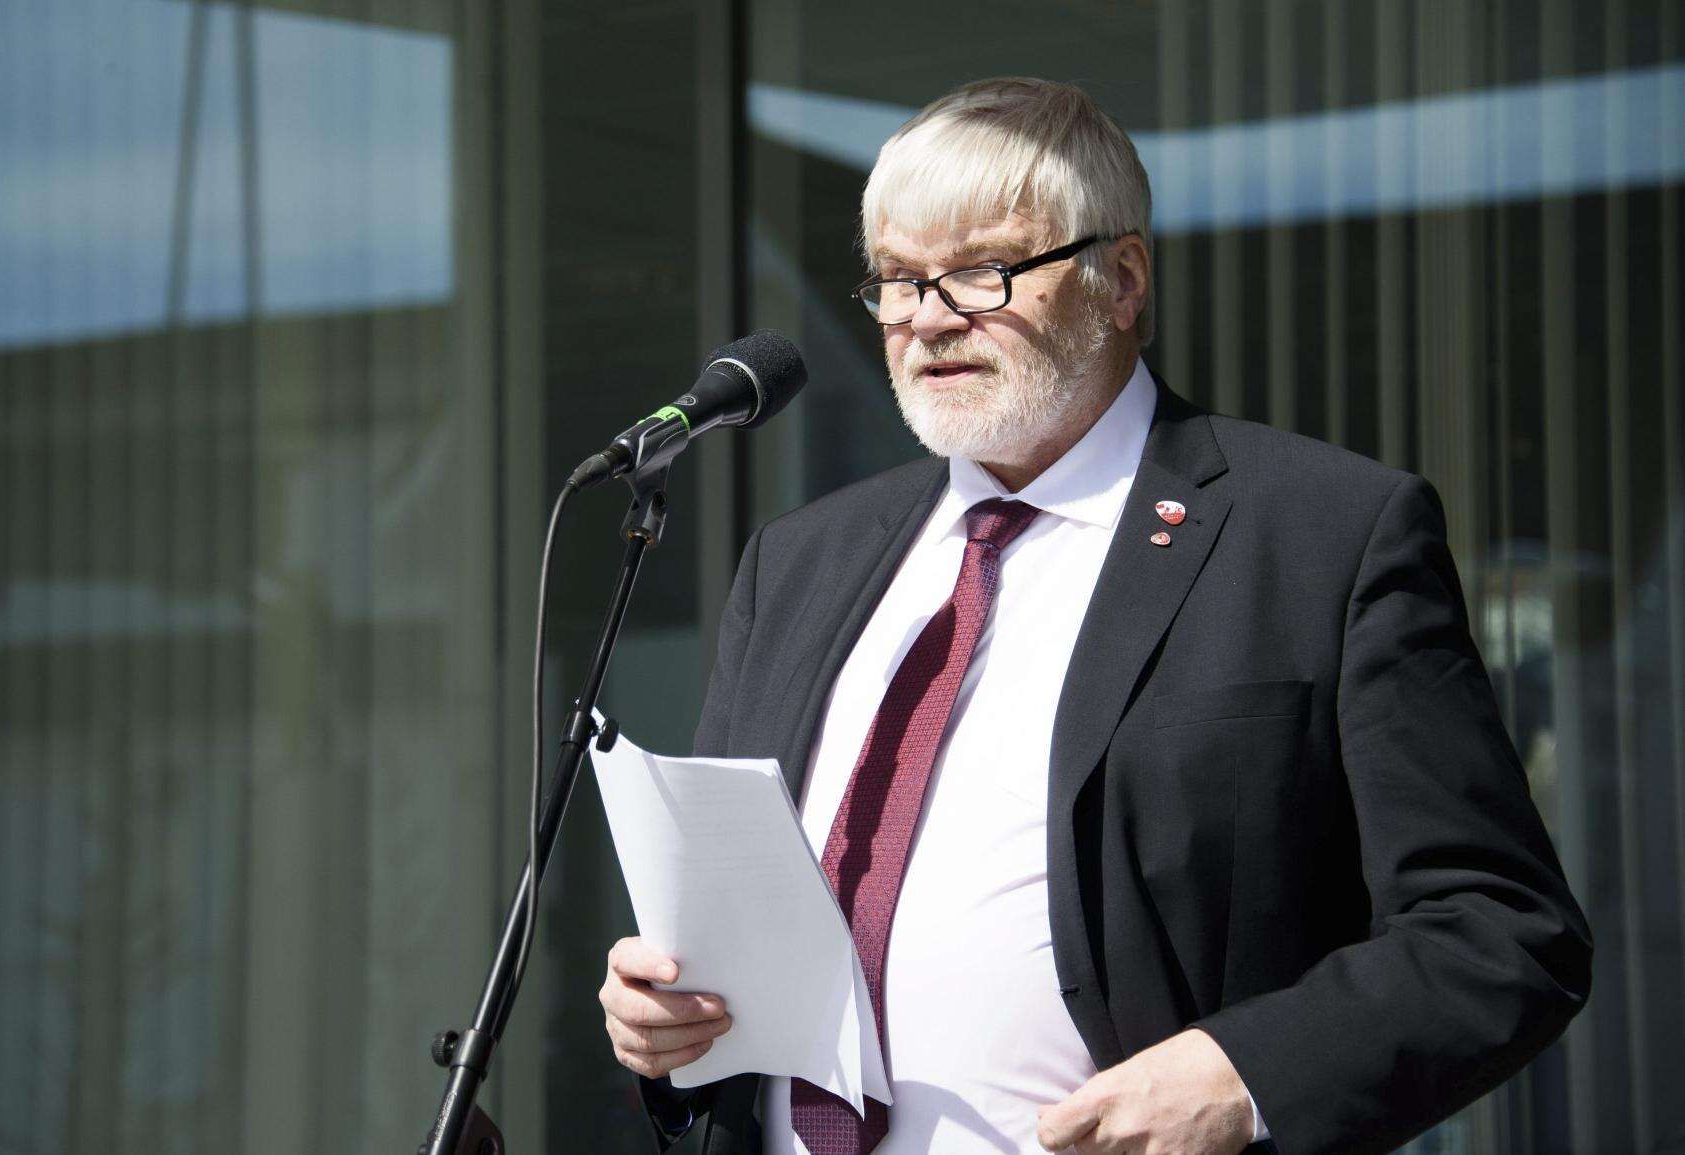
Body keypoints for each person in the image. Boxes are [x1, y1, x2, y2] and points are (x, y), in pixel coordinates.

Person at [597, 77, 1591, 1155]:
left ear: (1121, 281)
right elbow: (723, 935)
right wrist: (668, 1034)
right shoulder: (798, 563)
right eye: (898, 279)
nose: (928, 318)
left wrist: (1246, 1076)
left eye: (980, 272)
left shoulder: (1320, 535)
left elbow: (1498, 931)